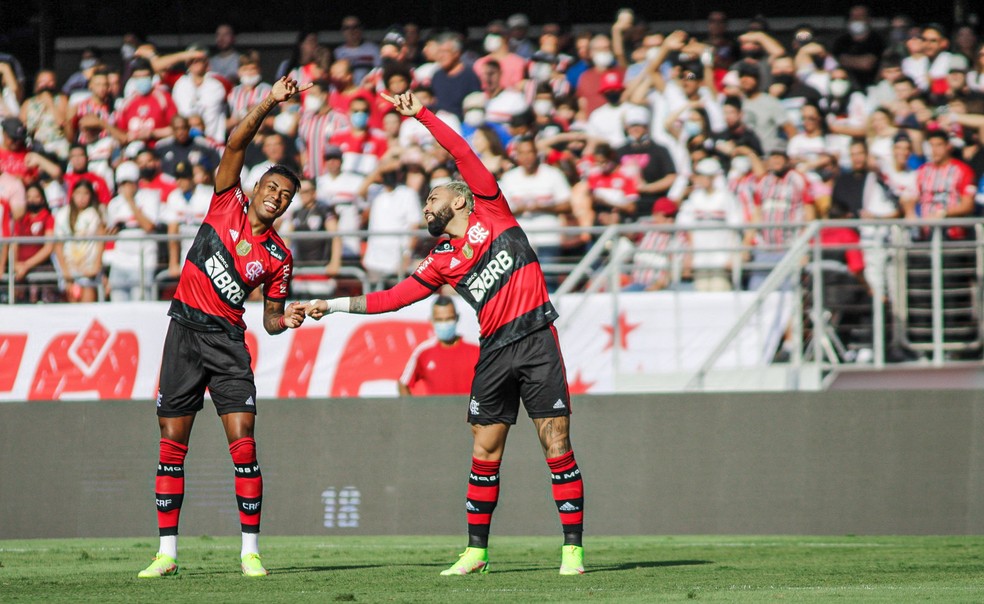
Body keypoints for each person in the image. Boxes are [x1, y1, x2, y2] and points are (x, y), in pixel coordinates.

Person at [303, 90, 585, 576]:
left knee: (555, 444)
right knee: (484, 452)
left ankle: (572, 552)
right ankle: (476, 552)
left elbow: (464, 154)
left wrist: (423, 116)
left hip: (537, 337)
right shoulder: (439, 263)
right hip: (495, 350)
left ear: (459, 198)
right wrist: (331, 304)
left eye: (431, 198)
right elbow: (390, 298)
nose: (426, 206)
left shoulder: (491, 209)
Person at [137, 76, 308, 580]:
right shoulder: (224, 202)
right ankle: (167, 552)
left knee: (245, 442)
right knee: (172, 443)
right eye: (272, 187)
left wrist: (287, 318)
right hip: (184, 334)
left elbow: (271, 321)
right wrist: (269, 101)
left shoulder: (279, 257)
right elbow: (236, 142)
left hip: (228, 344)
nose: (277, 197)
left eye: (287, 195)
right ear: (255, 189)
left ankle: (249, 551)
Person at [399, 295, 481, 396]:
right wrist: (412, 410)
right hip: (437, 411)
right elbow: (403, 384)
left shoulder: (476, 348)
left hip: (469, 410)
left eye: (449, 319)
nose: (444, 324)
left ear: (457, 318)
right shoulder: (423, 352)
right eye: (439, 319)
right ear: (431, 321)